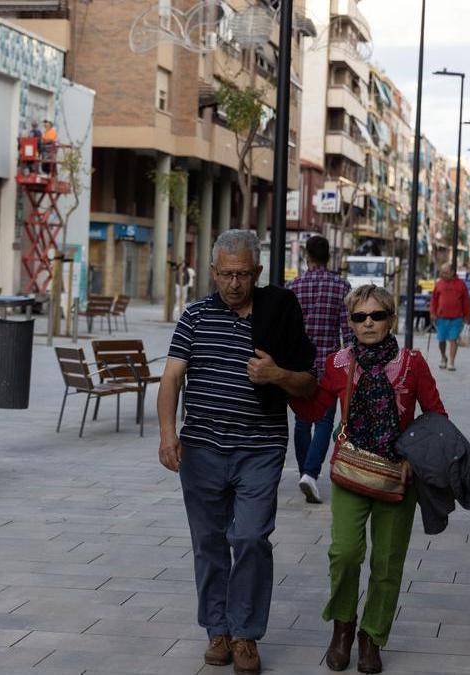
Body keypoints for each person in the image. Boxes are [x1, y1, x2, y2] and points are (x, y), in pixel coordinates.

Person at [157, 230, 317, 674]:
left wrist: (276, 374)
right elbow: (171, 379)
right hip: (202, 449)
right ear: (213, 273)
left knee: (248, 538)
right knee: (208, 542)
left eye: (242, 274)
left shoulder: (278, 315)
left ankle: (245, 634)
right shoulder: (195, 317)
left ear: (258, 273)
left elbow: (309, 381)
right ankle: (217, 630)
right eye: (226, 274)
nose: (233, 283)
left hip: (260, 449)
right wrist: (168, 434)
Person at [290, 285, 446, 675]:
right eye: (360, 317)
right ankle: (342, 628)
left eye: (377, 315)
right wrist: (282, 380)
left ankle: (371, 636)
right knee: (344, 553)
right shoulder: (340, 363)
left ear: (391, 319)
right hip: (351, 470)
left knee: (387, 562)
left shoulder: (412, 363)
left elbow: (436, 417)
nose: (369, 323)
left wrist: (414, 456)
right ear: (351, 323)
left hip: (398, 476)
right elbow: (313, 408)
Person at [287, 236, 353, 504]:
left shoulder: (293, 287)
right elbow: (347, 334)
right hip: (329, 366)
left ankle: (306, 471)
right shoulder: (341, 286)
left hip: (299, 367)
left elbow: (286, 332)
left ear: (306, 256)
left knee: (302, 422)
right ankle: (311, 474)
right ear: (329, 256)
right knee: (324, 422)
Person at [430, 263, 470, 371]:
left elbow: (466, 301)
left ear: (452, 272)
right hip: (441, 318)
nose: (443, 274)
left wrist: (467, 316)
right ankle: (443, 357)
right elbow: (433, 300)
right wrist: (432, 313)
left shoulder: (461, 284)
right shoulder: (438, 284)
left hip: (456, 318)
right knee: (441, 340)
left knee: (453, 339)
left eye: (445, 272)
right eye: (442, 272)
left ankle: (451, 362)